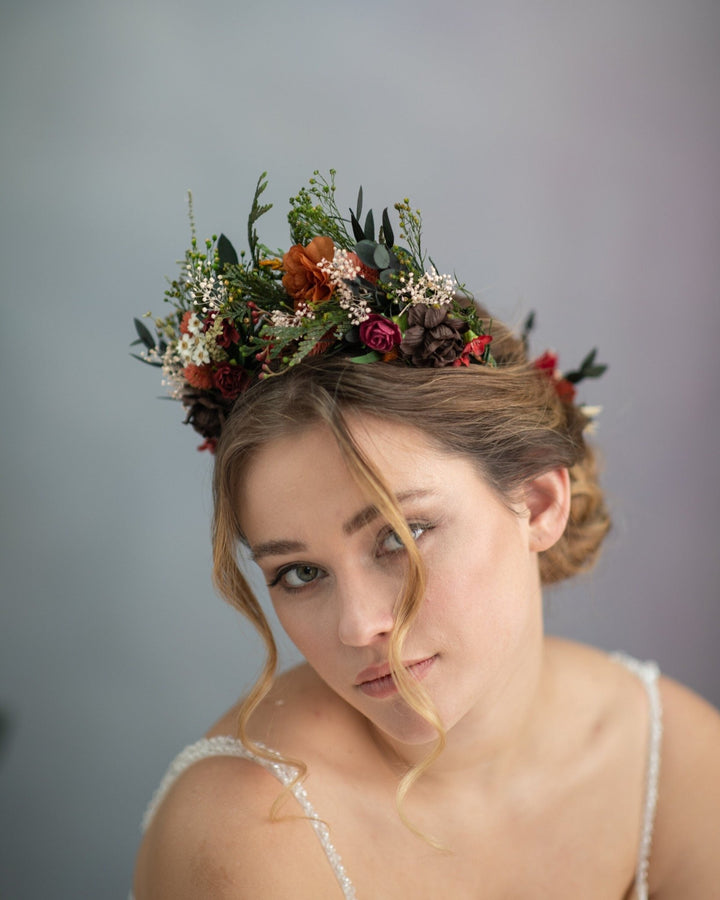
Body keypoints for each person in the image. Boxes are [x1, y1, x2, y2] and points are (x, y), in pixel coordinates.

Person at [131, 172, 720, 899]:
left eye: (400, 536)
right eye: (300, 573)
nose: (358, 627)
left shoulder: (679, 768)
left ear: (538, 503)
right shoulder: (250, 835)